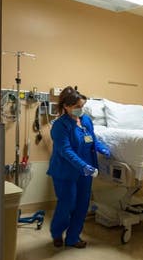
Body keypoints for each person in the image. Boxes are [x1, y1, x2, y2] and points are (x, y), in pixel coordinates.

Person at [47, 87, 111, 248]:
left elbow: (91, 138)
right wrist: (83, 166)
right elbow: (65, 151)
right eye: (77, 107)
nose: (80, 110)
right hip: (65, 172)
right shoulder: (60, 126)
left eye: (82, 106)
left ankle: (73, 237)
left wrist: (100, 147)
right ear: (66, 106)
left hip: (86, 171)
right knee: (67, 204)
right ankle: (57, 233)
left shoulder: (86, 120)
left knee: (82, 205)